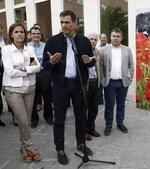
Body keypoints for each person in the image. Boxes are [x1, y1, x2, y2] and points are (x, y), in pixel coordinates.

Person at [42, 10, 95, 165]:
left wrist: (88, 62)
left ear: (75, 23)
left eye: (67, 22)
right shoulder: (53, 41)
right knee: (59, 119)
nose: (64, 25)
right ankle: (60, 148)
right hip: (60, 85)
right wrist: (51, 62)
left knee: (80, 116)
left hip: (78, 85)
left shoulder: (84, 41)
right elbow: (45, 66)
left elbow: (90, 62)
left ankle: (80, 143)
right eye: (62, 22)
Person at [2, 23, 41, 162]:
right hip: (13, 90)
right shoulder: (7, 50)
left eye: (22, 32)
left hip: (30, 88)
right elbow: (10, 71)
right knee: (23, 120)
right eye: (16, 32)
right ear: (11, 34)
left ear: (25, 35)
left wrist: (21, 67)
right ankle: (29, 147)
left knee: (27, 120)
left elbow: (37, 67)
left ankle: (23, 148)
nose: (20, 34)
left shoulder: (29, 49)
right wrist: (27, 68)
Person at [100, 28, 134, 136]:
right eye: (114, 36)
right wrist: (102, 79)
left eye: (118, 36)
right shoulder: (104, 50)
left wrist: (129, 78)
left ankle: (120, 123)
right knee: (109, 105)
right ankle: (108, 125)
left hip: (123, 82)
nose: (116, 38)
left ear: (121, 38)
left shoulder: (127, 49)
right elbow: (100, 66)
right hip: (110, 82)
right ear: (110, 37)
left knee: (121, 104)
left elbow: (131, 65)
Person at [28, 26, 53, 128]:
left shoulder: (45, 46)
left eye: (38, 33)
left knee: (47, 97)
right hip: (33, 74)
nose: (36, 35)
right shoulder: (27, 47)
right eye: (34, 33)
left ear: (40, 35)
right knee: (33, 98)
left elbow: (48, 60)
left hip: (44, 73)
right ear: (30, 35)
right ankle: (34, 118)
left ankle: (48, 116)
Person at [84, 33, 101, 141]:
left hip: (96, 82)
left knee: (94, 108)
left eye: (95, 39)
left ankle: (91, 128)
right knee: (84, 108)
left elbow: (100, 67)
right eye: (91, 39)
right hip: (86, 83)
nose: (93, 41)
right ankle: (84, 131)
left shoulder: (98, 52)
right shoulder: (83, 52)